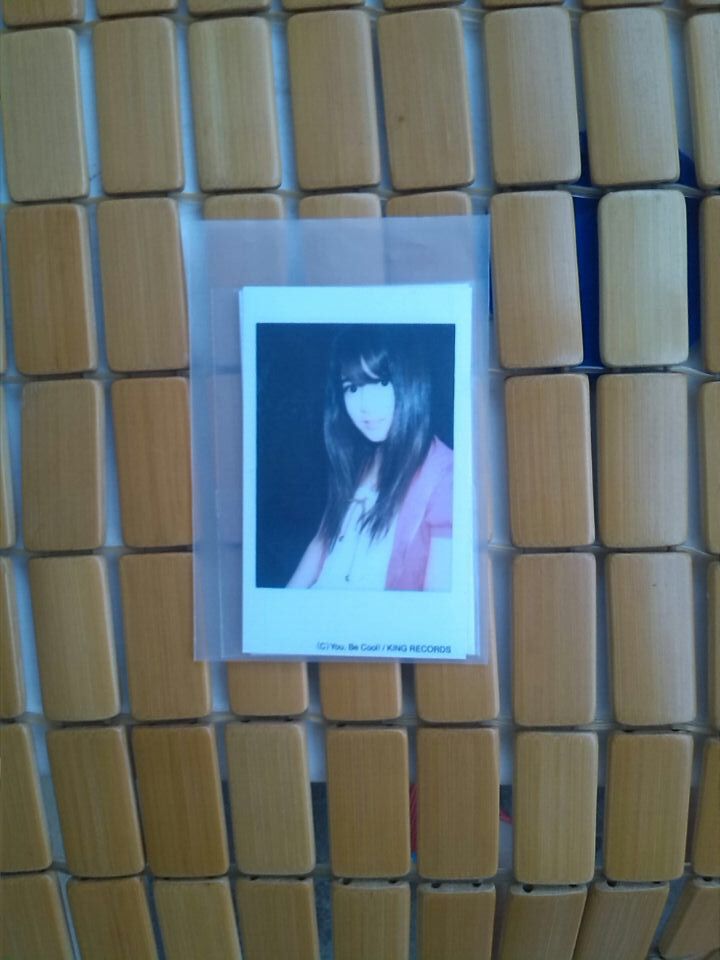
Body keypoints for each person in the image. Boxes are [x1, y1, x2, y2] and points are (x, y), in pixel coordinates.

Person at [287, 325, 453, 591]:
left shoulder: (445, 475)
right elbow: (321, 542)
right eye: (352, 388)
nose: (365, 405)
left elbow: (438, 600)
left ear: (411, 383)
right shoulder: (359, 456)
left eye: (382, 383)